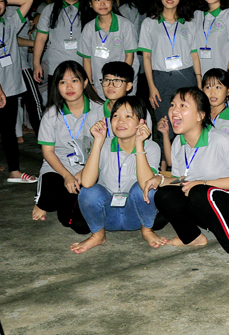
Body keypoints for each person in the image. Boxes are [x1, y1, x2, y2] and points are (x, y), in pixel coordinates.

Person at [148, 87, 229, 268]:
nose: (174, 110)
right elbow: (182, 180)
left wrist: (203, 183)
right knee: (164, 194)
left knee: (200, 192)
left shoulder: (221, 141)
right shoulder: (178, 143)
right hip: (204, 207)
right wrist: (160, 180)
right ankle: (193, 237)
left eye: (183, 106)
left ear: (200, 115)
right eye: (173, 105)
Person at [71, 96, 164, 253]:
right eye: (116, 116)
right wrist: (98, 142)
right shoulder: (104, 145)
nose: (120, 121)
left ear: (141, 122)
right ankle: (98, 235)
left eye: (128, 116)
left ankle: (147, 231)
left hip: (137, 215)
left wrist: (139, 144)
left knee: (147, 188)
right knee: (88, 192)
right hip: (108, 215)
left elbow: (146, 185)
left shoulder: (151, 147)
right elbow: (86, 182)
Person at [32, 61, 103, 231]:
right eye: (63, 82)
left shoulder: (100, 110)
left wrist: (83, 173)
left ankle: (66, 197)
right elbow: (48, 152)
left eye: (74, 80)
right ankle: (43, 201)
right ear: (57, 86)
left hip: (90, 169)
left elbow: (105, 149)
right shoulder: (51, 114)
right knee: (51, 197)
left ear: (85, 83)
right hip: (58, 169)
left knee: (80, 225)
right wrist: (67, 176)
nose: (69, 87)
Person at [139, 0, 200, 158]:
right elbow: (146, 57)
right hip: (160, 79)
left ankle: (189, 161)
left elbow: (194, 55)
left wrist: (198, 82)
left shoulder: (189, 22)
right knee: (165, 125)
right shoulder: (149, 22)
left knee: (188, 123)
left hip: (186, 77)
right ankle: (166, 165)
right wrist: (151, 86)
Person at [0, 0, 36, 182]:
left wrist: (6, 0)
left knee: (9, 130)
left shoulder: (9, 23)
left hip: (10, 86)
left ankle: (14, 171)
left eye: (0, 1)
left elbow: (28, 0)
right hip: (1, 88)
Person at [77, 0, 138, 92]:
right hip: (99, 82)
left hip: (121, 81)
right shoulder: (88, 28)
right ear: (90, 3)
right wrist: (90, 83)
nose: (102, 3)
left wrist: (121, 81)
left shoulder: (126, 25)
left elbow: (129, 56)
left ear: (112, 1)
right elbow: (86, 59)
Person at [33, 0, 86, 85]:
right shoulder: (49, 10)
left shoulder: (89, 10)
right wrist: (36, 64)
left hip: (83, 67)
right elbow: (41, 38)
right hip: (56, 68)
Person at [86, 61, 152, 140]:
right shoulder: (93, 115)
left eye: (117, 80)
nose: (110, 85)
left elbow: (147, 143)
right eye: (107, 80)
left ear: (128, 86)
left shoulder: (139, 110)